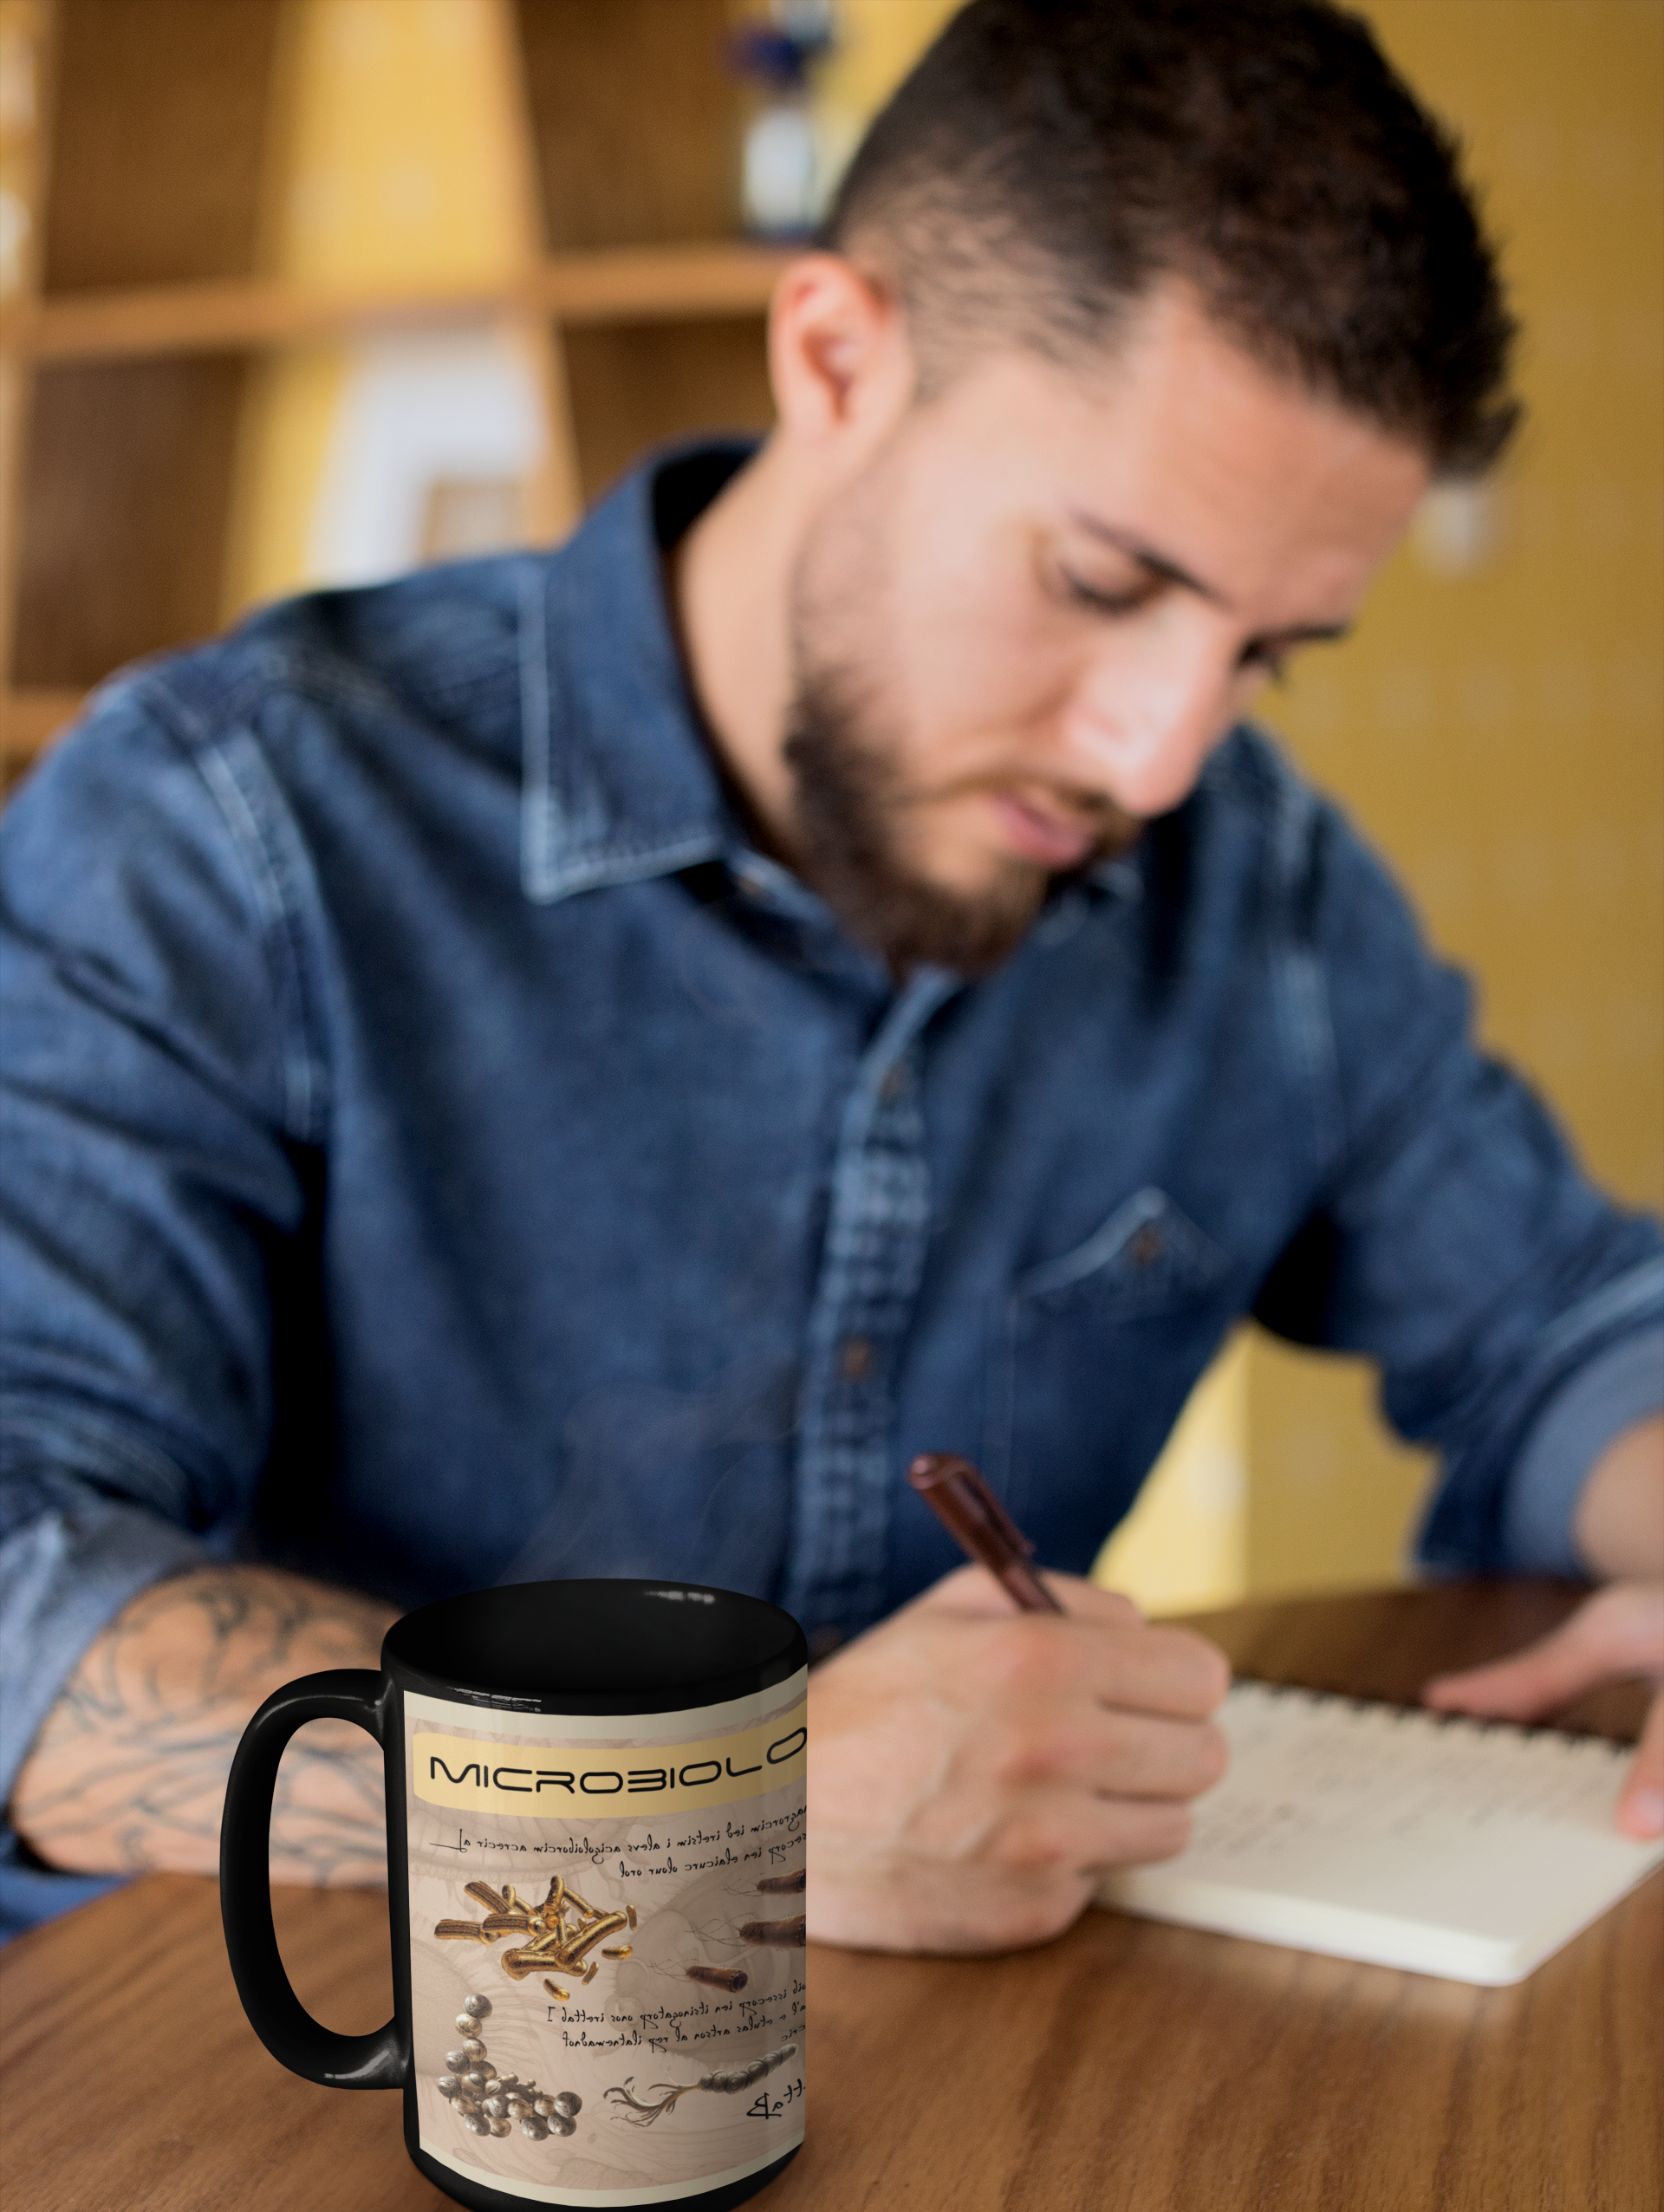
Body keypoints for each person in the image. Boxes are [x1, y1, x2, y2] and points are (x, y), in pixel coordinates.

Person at [2, 0, 1659, 1954]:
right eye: (1106, 585)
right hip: (287, 2108)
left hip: (935, 2121)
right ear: (838, 356)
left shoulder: (1257, 888)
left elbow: (1563, 1324)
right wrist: (726, 1796)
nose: (1158, 758)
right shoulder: (230, 826)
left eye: (1266, 654)